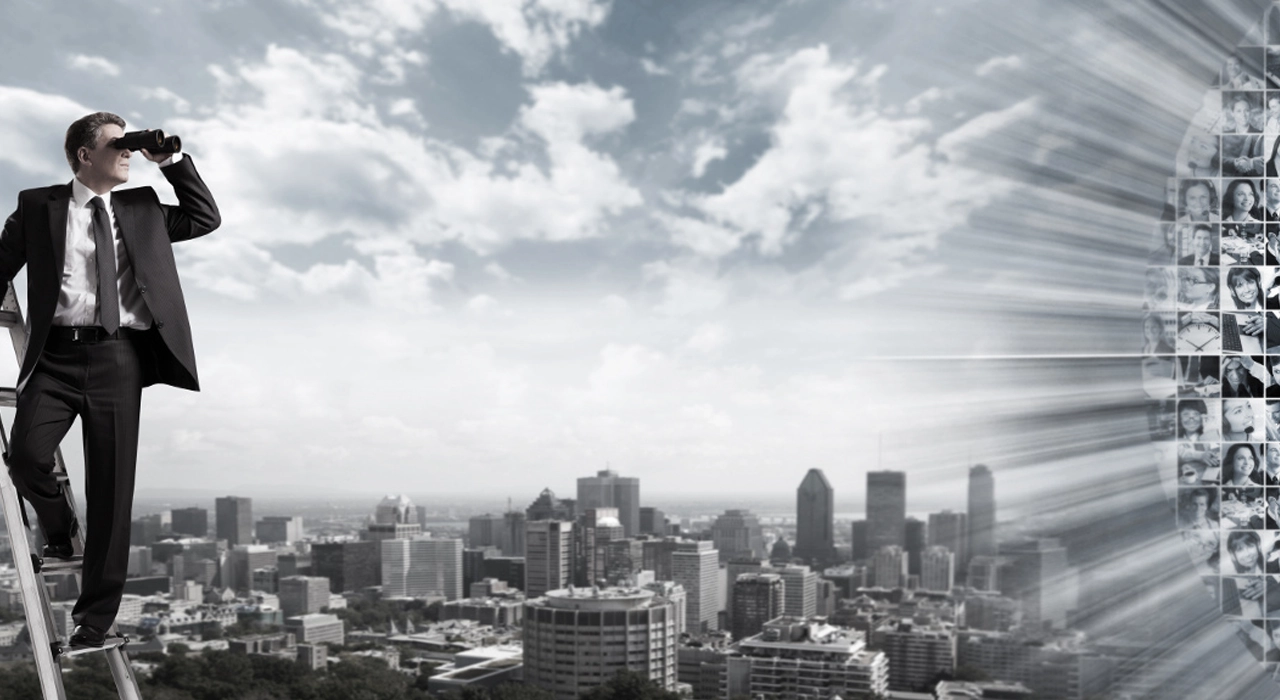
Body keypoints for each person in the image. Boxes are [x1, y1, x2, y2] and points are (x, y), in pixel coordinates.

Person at [0, 112, 219, 647]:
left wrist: (169, 163)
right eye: (117, 145)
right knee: (26, 458)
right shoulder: (37, 206)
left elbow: (204, 217)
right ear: (83, 155)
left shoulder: (142, 208)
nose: (127, 152)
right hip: (54, 357)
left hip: (120, 359)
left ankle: (93, 621)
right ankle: (57, 530)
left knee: (112, 493)